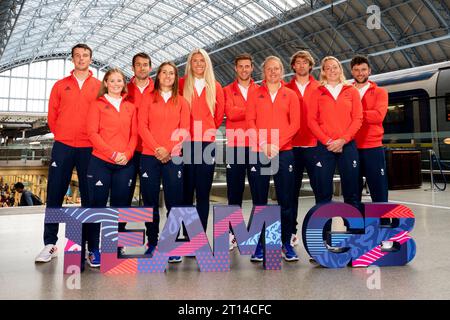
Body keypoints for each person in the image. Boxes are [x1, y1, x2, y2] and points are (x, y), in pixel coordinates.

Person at [35, 44, 101, 263]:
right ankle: (50, 244)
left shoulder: (99, 86)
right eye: (77, 56)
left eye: (85, 56)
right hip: (63, 146)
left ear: (91, 59)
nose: (81, 59)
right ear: (72, 59)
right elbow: (52, 117)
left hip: (90, 148)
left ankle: (92, 248)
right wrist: (63, 134)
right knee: (54, 193)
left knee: (90, 198)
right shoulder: (60, 86)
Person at [246, 56, 300, 262]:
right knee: (260, 202)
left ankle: (285, 242)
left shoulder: (291, 95)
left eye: (277, 68)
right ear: (263, 72)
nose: (273, 72)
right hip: (258, 151)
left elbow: (294, 124)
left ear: (282, 71)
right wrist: (263, 145)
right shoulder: (254, 94)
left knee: (285, 201)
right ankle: (260, 244)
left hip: (284, 151)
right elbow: (250, 122)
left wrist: (276, 145)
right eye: (269, 69)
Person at [138, 61, 190, 263]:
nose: (168, 76)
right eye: (164, 73)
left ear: (176, 78)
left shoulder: (182, 102)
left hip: (174, 156)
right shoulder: (148, 99)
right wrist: (157, 148)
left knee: (174, 201)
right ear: (158, 76)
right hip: (150, 156)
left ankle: (171, 243)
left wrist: (168, 149)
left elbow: (184, 129)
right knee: (150, 201)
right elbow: (142, 126)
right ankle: (152, 241)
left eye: (172, 73)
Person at [86, 68, 138, 268]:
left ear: (124, 84)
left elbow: (134, 134)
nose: (117, 84)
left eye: (120, 80)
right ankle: (93, 249)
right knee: (97, 206)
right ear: (106, 83)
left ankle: (118, 245)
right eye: (112, 80)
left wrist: (127, 154)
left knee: (121, 206)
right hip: (101, 162)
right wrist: (113, 154)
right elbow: (92, 133)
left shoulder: (130, 107)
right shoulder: (97, 105)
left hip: (125, 163)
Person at [308, 56, 363, 209]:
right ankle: (323, 232)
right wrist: (327, 141)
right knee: (323, 193)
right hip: (324, 147)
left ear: (340, 69)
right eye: (328, 68)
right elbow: (311, 121)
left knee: (352, 192)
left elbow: (358, 118)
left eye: (335, 67)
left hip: (348, 146)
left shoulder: (351, 91)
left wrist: (343, 140)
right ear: (323, 72)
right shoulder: (317, 92)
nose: (332, 70)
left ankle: (355, 230)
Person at [179, 48, 225, 233]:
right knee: (186, 193)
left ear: (207, 63)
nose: (198, 64)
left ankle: (199, 236)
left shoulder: (215, 86)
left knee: (203, 193)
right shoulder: (181, 84)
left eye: (202, 60)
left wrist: (206, 132)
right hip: (185, 144)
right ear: (190, 64)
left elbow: (218, 115)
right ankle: (187, 234)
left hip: (206, 145)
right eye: (195, 60)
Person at [223, 53, 259, 251]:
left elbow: (257, 114)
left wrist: (243, 109)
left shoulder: (260, 89)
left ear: (252, 68)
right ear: (235, 69)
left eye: (247, 66)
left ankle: (254, 232)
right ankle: (232, 233)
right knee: (233, 192)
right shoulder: (227, 90)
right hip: (235, 146)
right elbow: (231, 112)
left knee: (258, 191)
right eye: (241, 66)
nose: (244, 69)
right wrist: (253, 110)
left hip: (255, 146)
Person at [285, 50, 321, 247]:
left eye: (304, 62)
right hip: (291, 147)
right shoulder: (285, 88)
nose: (301, 66)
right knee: (291, 193)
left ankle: (321, 234)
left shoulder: (320, 87)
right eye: (297, 62)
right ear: (293, 66)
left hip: (314, 146)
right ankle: (291, 232)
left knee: (321, 192)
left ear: (310, 65)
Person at [350, 55, 389, 203]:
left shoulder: (380, 92)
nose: (360, 73)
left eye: (363, 69)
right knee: (353, 192)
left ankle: (383, 224)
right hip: (350, 147)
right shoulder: (346, 91)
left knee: (379, 190)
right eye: (356, 70)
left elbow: (378, 116)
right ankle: (355, 225)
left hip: (373, 147)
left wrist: (355, 115)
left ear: (369, 71)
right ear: (352, 72)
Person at [127, 52, 155, 206]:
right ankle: (120, 228)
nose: (142, 68)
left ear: (150, 68)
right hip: (129, 149)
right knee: (125, 193)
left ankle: (151, 231)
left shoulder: (158, 90)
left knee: (149, 196)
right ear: (133, 68)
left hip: (149, 150)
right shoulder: (123, 89)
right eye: (138, 65)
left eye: (145, 65)